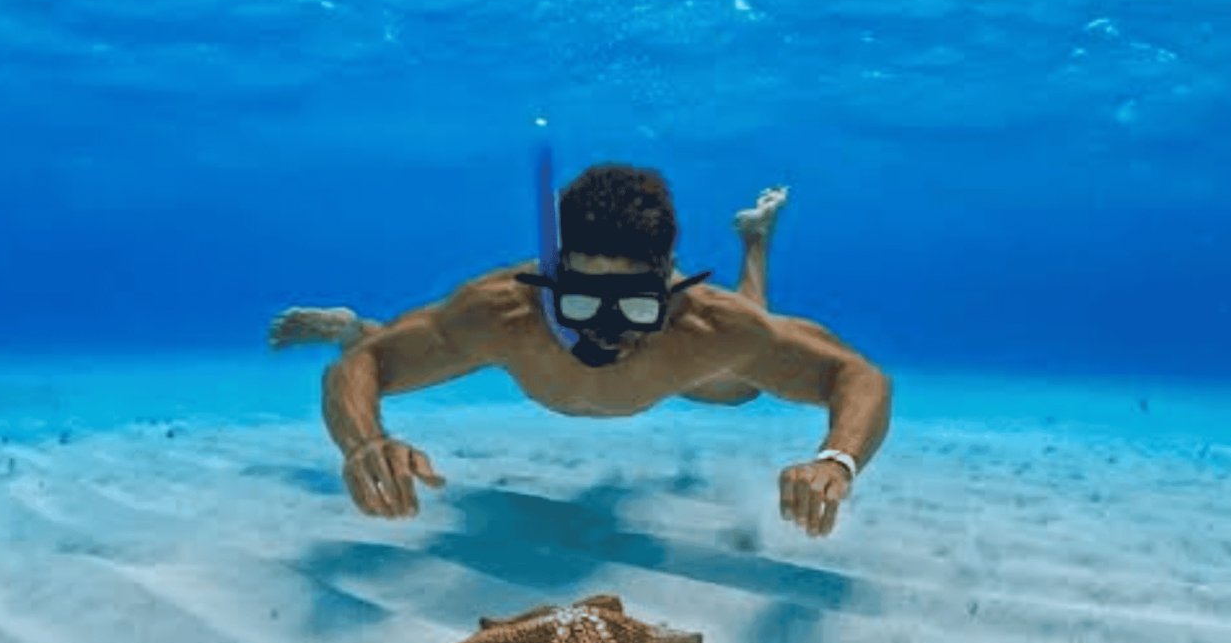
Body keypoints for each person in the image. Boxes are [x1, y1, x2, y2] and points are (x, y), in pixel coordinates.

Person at [269, 163, 892, 538]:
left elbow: (858, 375)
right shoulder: (503, 309)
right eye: (582, 303)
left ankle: (755, 242)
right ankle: (358, 324)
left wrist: (837, 458)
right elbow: (361, 370)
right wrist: (364, 444)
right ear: (554, 274)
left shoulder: (709, 324)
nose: (605, 331)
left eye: (636, 307)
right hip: (517, 342)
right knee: (387, 343)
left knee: (743, 384)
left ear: (670, 286)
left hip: (687, 363)